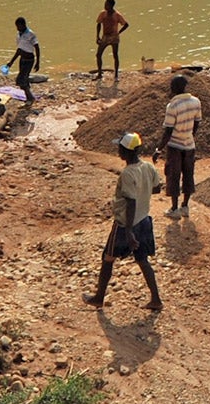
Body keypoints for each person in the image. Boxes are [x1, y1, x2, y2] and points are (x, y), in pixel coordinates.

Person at [84, 133, 163, 312]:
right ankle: (156, 299)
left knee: (108, 259)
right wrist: (143, 189)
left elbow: (130, 202)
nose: (118, 150)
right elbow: (157, 189)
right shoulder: (148, 167)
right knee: (142, 260)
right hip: (144, 221)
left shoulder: (128, 173)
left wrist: (128, 232)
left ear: (125, 151)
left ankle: (98, 298)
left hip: (126, 225)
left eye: (119, 148)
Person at [155, 74, 201, 218]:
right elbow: (197, 122)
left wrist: (159, 149)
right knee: (188, 175)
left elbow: (168, 130)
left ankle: (174, 209)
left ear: (173, 88)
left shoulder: (172, 106)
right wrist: (190, 134)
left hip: (175, 146)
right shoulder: (196, 101)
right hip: (189, 144)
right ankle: (185, 207)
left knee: (173, 176)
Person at [6, 17, 41, 100]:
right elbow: (19, 50)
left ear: (23, 25)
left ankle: (31, 98)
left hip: (29, 60)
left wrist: (38, 62)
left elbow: (37, 48)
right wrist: (11, 62)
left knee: (20, 80)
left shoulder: (30, 34)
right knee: (24, 79)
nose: (17, 28)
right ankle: (28, 97)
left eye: (18, 26)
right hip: (22, 59)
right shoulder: (19, 34)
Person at [95, 0, 129, 83]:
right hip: (105, 36)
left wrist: (118, 33)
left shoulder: (117, 15)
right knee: (98, 54)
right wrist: (97, 36)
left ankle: (116, 75)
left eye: (107, 5)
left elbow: (126, 24)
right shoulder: (103, 14)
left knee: (115, 55)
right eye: (105, 4)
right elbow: (98, 24)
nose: (105, 6)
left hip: (114, 37)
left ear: (111, 6)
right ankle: (99, 74)